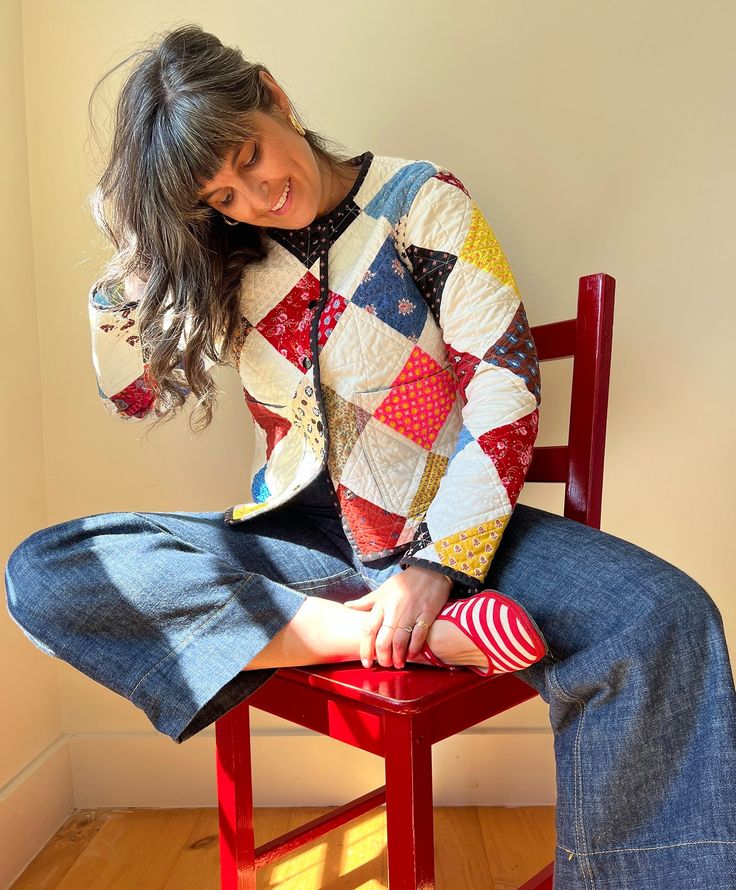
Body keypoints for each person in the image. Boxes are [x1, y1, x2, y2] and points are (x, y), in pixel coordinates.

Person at [4, 24, 736, 888]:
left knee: (668, 615)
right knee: (45, 568)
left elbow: (504, 386)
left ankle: (424, 630)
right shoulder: (225, 260)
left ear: (273, 95)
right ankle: (388, 640)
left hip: (451, 529)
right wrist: (137, 251)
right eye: (221, 195)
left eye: (250, 156)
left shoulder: (421, 202)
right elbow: (134, 396)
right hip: (298, 545)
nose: (255, 196)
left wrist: (435, 563)